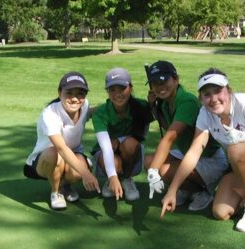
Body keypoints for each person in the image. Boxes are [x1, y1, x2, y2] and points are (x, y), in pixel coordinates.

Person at [161, 68, 245, 232]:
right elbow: (194, 152)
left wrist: (244, 137)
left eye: (218, 91)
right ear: (201, 98)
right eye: (207, 94)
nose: (213, 99)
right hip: (242, 160)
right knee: (220, 212)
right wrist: (172, 191)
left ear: (229, 91)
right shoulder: (205, 114)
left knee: (235, 151)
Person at [145, 61, 228, 211]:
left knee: (160, 169)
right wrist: (153, 106)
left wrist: (153, 172)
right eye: (155, 83)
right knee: (150, 161)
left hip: (210, 159)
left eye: (164, 80)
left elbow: (169, 137)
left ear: (176, 80)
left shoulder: (187, 101)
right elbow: (167, 125)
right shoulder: (164, 103)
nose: (159, 86)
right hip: (187, 153)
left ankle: (200, 193)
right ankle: (187, 188)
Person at [23, 71, 100, 210]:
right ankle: (56, 192)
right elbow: (61, 148)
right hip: (44, 160)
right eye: (69, 93)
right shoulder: (50, 113)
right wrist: (86, 174)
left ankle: (65, 186)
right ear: (60, 93)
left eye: (80, 93)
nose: (75, 99)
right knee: (55, 154)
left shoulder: (84, 105)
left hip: (72, 154)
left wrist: (113, 104)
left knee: (77, 170)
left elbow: (90, 113)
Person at [92, 68, 153, 201]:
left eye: (122, 88)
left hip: (131, 153)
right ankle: (112, 178)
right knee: (113, 155)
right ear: (107, 92)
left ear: (130, 88)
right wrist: (112, 176)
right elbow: (106, 146)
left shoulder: (141, 106)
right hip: (107, 152)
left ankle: (126, 178)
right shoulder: (101, 112)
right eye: (112, 89)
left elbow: (153, 122)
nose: (117, 94)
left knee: (130, 143)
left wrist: (153, 103)